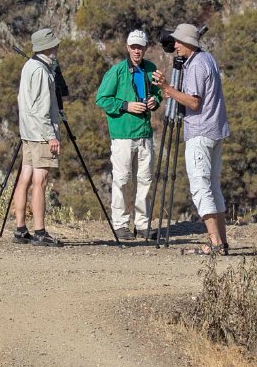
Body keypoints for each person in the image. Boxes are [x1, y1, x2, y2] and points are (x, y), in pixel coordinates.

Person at [152, 24, 230, 255]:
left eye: (177, 42)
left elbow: (194, 102)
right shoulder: (209, 59)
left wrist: (167, 88)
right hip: (215, 129)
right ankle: (222, 242)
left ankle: (215, 243)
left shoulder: (195, 65)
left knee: (200, 186)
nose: (174, 45)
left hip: (200, 130)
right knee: (213, 187)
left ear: (188, 43)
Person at [96, 29, 162, 240]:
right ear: (127, 48)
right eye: (133, 47)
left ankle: (142, 225)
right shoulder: (116, 72)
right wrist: (126, 105)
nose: (137, 51)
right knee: (122, 180)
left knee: (145, 180)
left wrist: (155, 101)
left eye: (140, 47)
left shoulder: (151, 69)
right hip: (122, 134)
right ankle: (121, 224)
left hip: (144, 133)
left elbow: (158, 93)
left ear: (145, 48)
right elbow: (102, 99)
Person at [12, 28, 63, 246]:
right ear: (47, 47)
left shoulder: (29, 66)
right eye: (55, 45)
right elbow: (42, 108)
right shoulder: (42, 71)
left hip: (28, 132)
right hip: (41, 133)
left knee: (25, 178)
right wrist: (51, 136)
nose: (57, 48)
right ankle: (40, 231)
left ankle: (20, 229)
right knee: (40, 182)